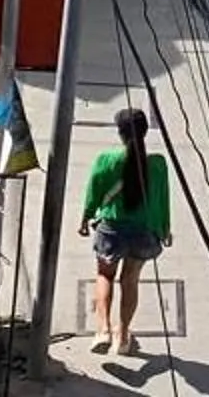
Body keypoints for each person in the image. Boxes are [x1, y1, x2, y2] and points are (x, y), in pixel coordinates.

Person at [77, 108, 169, 355]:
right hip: (144, 231)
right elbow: (162, 199)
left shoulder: (106, 160)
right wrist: (165, 228)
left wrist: (85, 218)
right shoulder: (158, 164)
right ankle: (123, 335)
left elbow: (93, 193)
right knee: (130, 280)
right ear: (144, 132)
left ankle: (103, 330)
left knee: (105, 275)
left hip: (111, 229)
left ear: (120, 133)